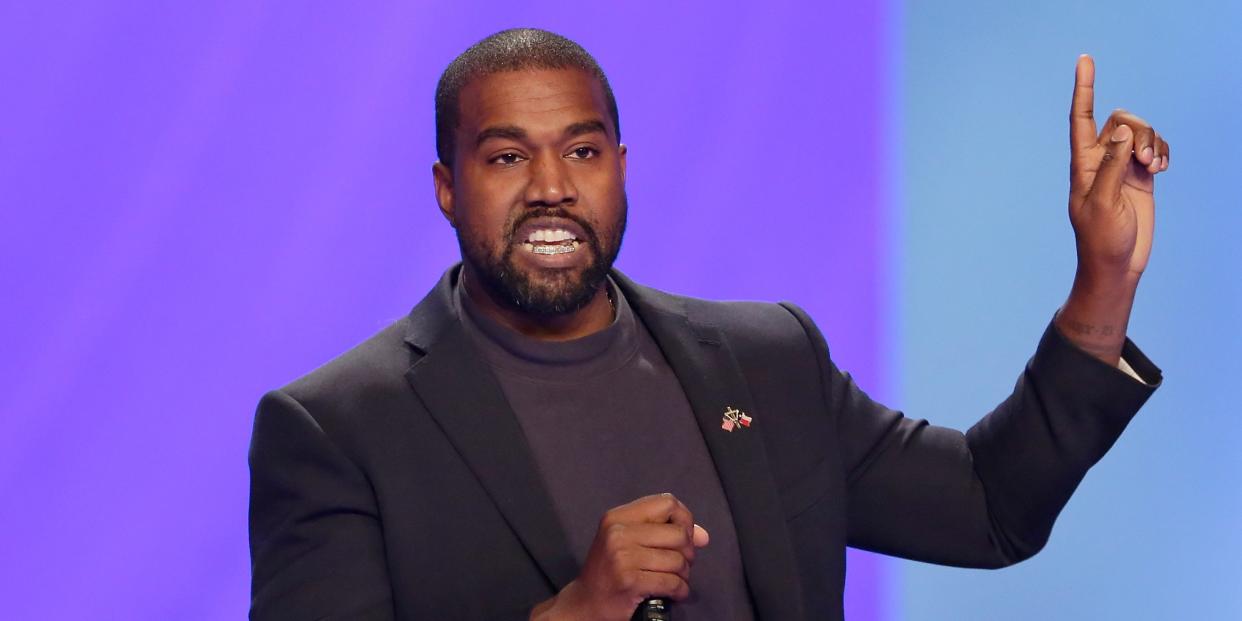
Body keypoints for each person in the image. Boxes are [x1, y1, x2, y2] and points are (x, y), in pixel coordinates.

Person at [248, 28, 1168, 620]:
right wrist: (574, 615)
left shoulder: (765, 361)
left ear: (619, 164)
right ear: (447, 187)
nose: (552, 187)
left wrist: (1103, 280)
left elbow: (987, 507)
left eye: (581, 149)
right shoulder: (338, 428)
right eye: (504, 156)